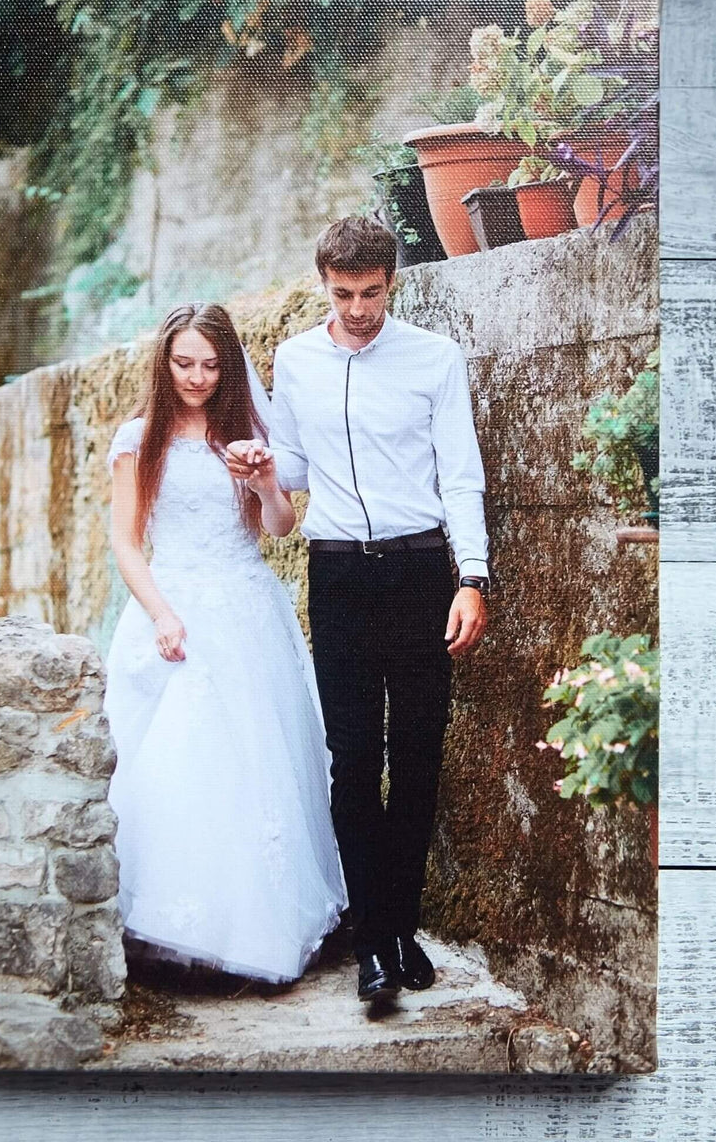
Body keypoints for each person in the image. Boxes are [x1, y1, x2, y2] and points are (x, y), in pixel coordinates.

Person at [226, 216, 494, 1004]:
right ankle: (372, 943)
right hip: (338, 572)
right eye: (343, 294)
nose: (357, 309)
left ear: (391, 282)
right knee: (351, 758)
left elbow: (460, 475)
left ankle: (403, 927)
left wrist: (472, 578)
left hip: (419, 571)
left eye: (371, 293)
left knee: (416, 755)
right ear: (324, 285)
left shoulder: (434, 359)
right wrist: (261, 466)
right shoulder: (296, 360)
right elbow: (297, 468)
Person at [102, 302, 347, 985]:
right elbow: (127, 542)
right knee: (179, 762)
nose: (197, 377)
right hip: (174, 608)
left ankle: (255, 929)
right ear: (163, 363)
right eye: (184, 363)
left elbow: (280, 527)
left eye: (211, 365)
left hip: (246, 611)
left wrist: (265, 481)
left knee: (256, 767)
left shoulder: (244, 435)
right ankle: (175, 926)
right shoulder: (138, 440)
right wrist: (161, 614)